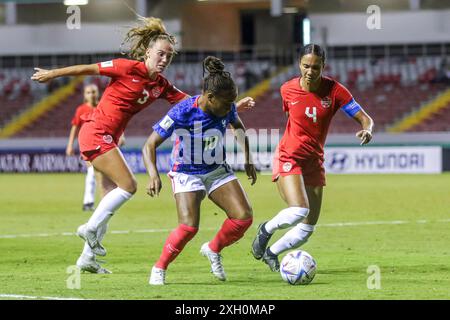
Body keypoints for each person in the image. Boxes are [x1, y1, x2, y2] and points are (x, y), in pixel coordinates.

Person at [31, 17, 255, 274]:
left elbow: (200, 106)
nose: (164, 60)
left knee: (111, 193)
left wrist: (233, 107)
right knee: (129, 186)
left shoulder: (160, 86)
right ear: (148, 52)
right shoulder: (126, 67)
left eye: (169, 57)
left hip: (109, 138)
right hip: (94, 132)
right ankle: (90, 229)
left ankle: (87, 257)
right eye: (160, 54)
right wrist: (52, 74)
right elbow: (88, 69)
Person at [251, 44, 375, 272]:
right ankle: (265, 229)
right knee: (299, 210)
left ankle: (272, 252)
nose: (310, 71)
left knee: (308, 227)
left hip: (314, 161)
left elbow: (364, 118)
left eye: (315, 67)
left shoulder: (336, 91)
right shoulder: (286, 89)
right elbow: (291, 117)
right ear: (299, 64)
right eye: (306, 66)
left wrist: (367, 129)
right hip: (289, 155)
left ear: (323, 67)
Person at [142, 56, 257, 285]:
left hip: (217, 170)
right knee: (188, 227)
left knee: (243, 217)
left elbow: (238, 126)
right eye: (226, 104)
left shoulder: (226, 108)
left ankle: (213, 249)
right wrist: (153, 175)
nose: (230, 108)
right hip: (187, 172)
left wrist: (248, 159)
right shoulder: (182, 111)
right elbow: (149, 145)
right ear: (210, 97)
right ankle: (159, 267)